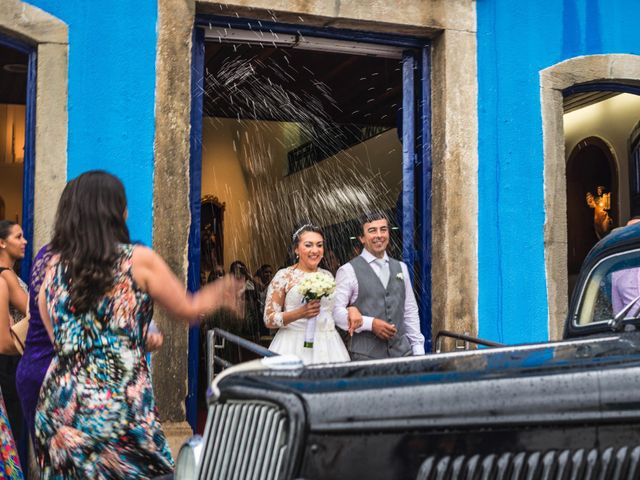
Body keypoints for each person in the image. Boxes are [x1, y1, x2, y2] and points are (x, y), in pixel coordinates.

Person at [35, 171, 241, 478]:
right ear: (118, 212)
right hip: (116, 406)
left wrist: (134, 337)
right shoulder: (137, 259)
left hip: (59, 408)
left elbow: (66, 340)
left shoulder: (52, 269)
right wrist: (222, 290)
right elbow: (188, 309)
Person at [333, 212, 425, 360]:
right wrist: (370, 324)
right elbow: (336, 313)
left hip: (402, 354)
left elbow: (409, 311)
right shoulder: (347, 271)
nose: (379, 235)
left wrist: (418, 349)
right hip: (366, 357)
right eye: (372, 230)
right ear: (362, 238)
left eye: (383, 229)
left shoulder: (401, 268)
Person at [264, 224, 351, 364]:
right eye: (308, 245)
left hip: (329, 345)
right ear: (296, 249)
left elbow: (332, 311)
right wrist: (300, 313)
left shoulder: (327, 275)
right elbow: (269, 320)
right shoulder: (284, 276)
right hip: (293, 345)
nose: (315, 250)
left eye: (319, 245)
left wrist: (350, 311)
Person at [0, 221, 28, 455]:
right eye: (18, 237)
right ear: (2, 242)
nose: (24, 241)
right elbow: (33, 311)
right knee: (14, 428)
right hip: (10, 360)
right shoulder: (6, 275)